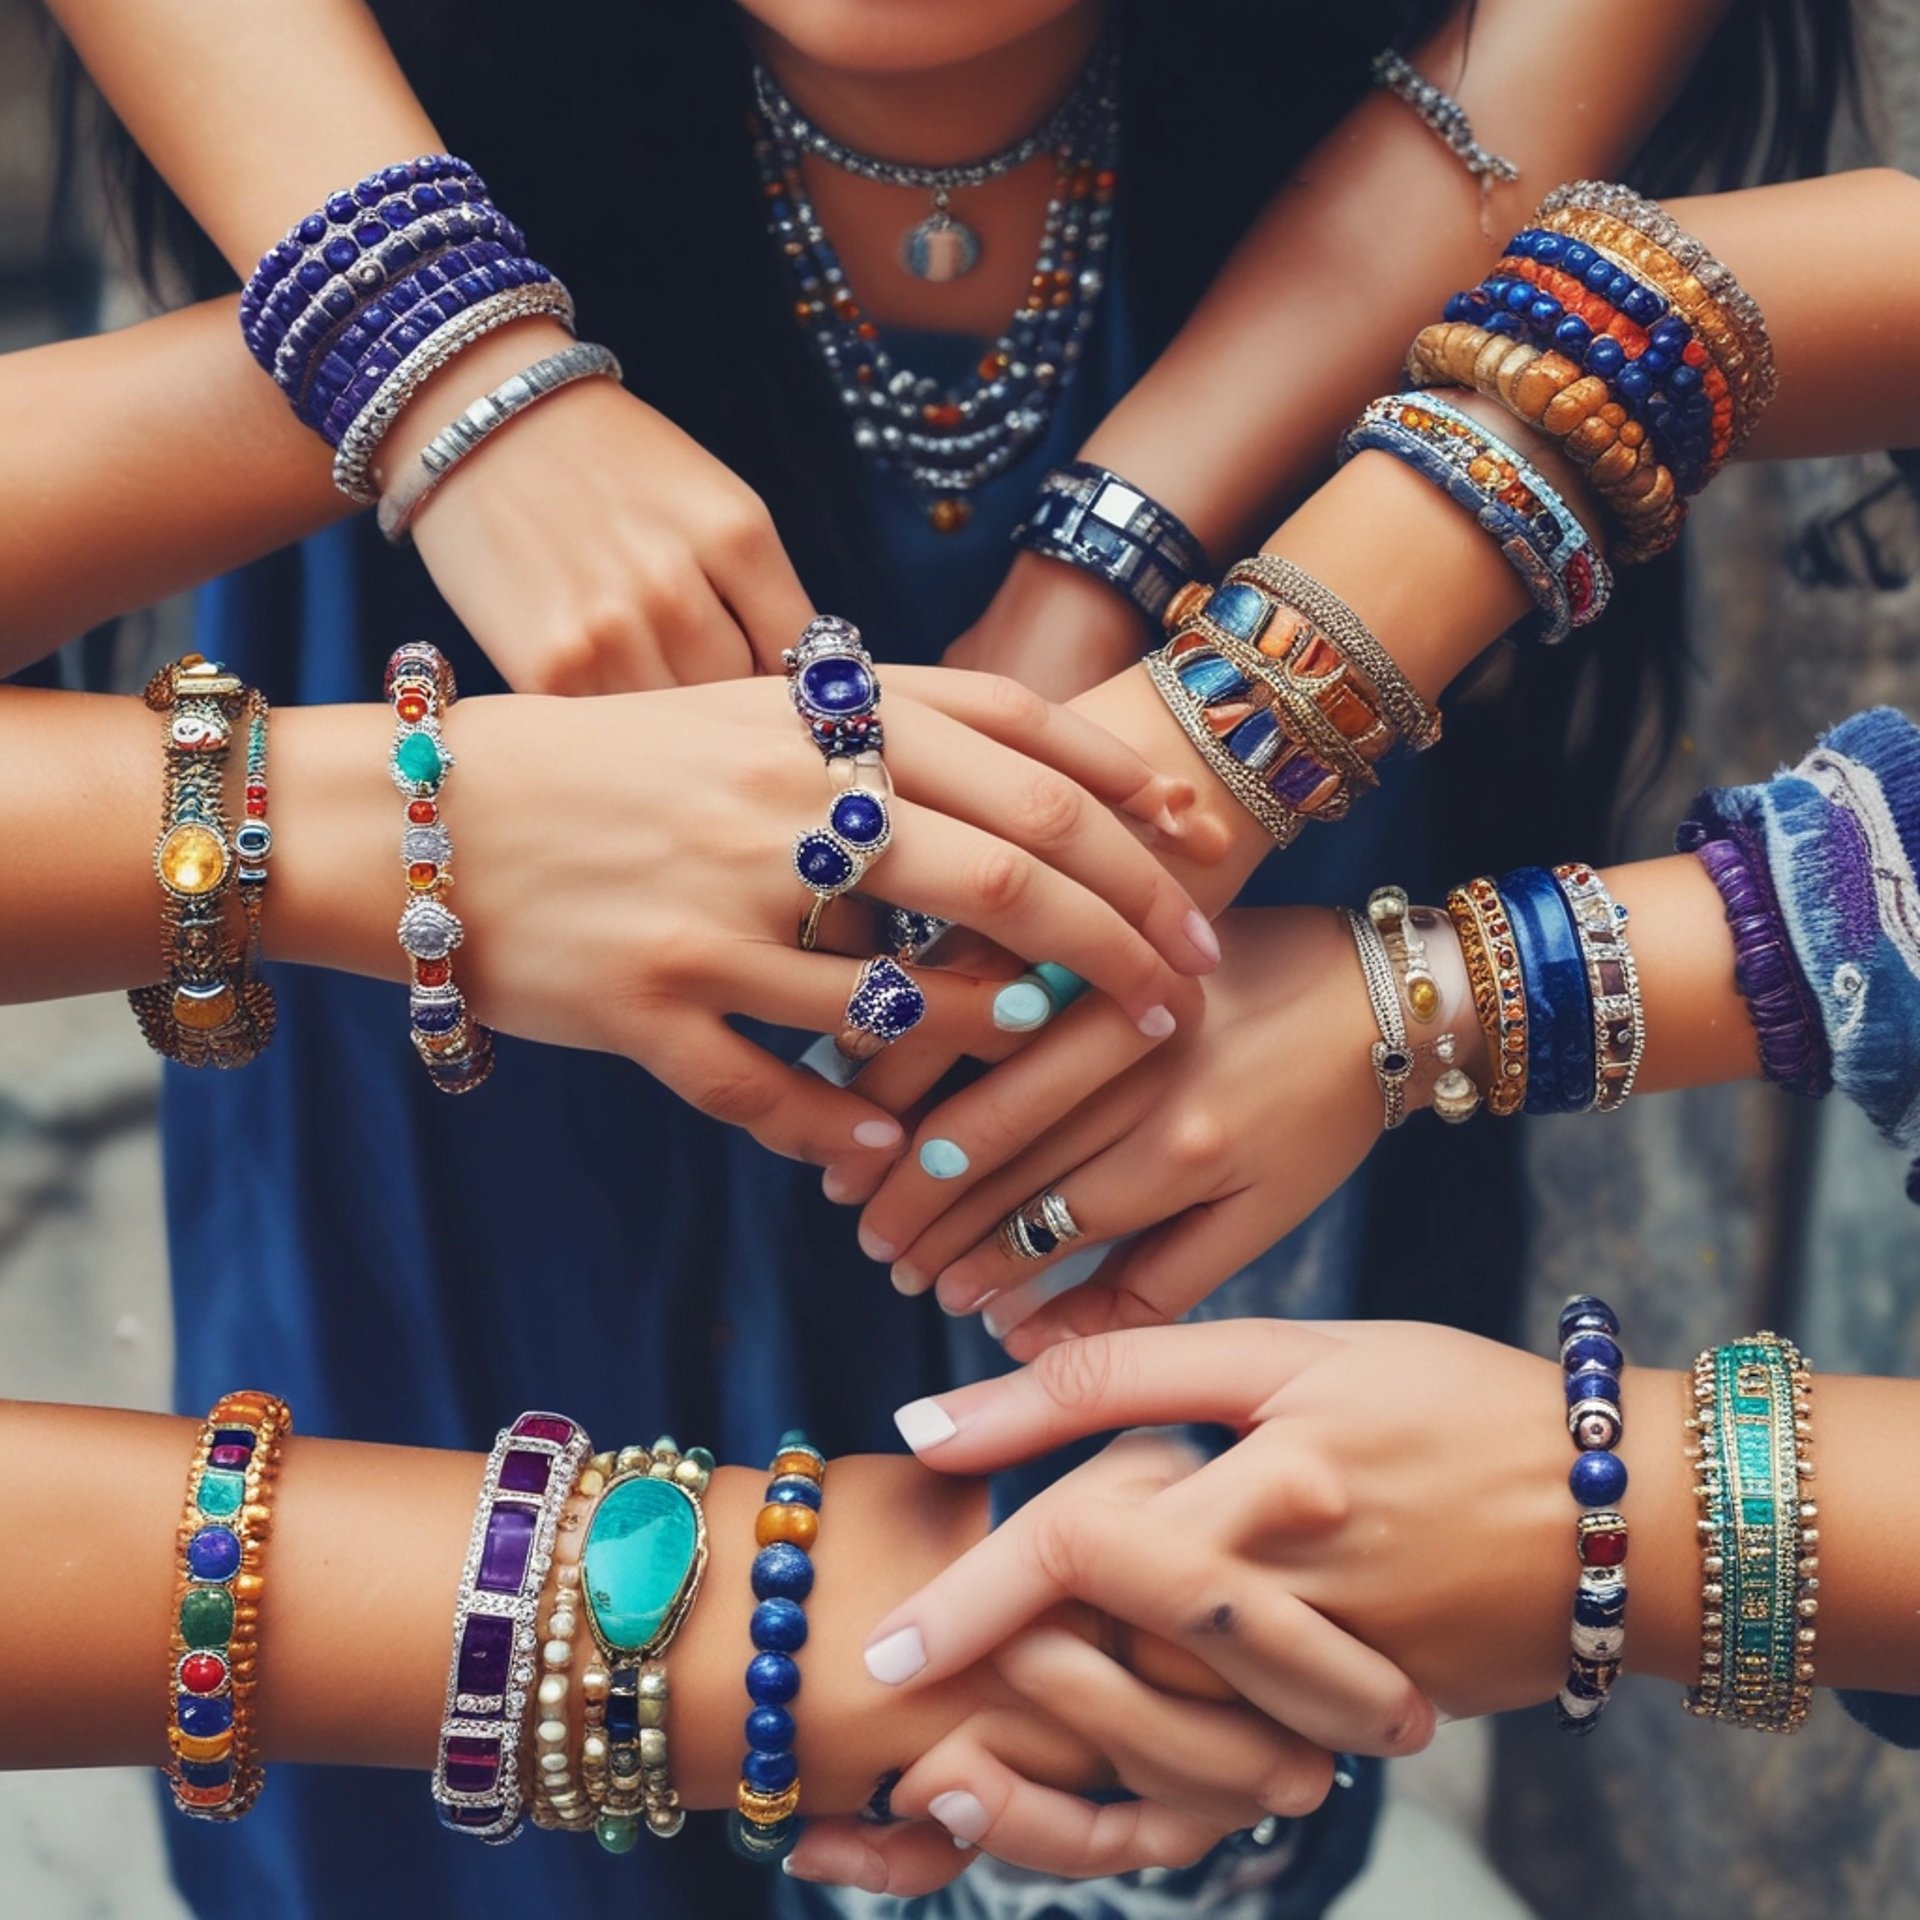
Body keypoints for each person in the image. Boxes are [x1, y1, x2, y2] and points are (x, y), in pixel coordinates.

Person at [7, 3, 1868, 1916]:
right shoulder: (342, 372)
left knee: (1171, 1590)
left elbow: (1704, 276)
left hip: (1273, 354)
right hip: (461, 460)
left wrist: (1177, 607)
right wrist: (428, 369)